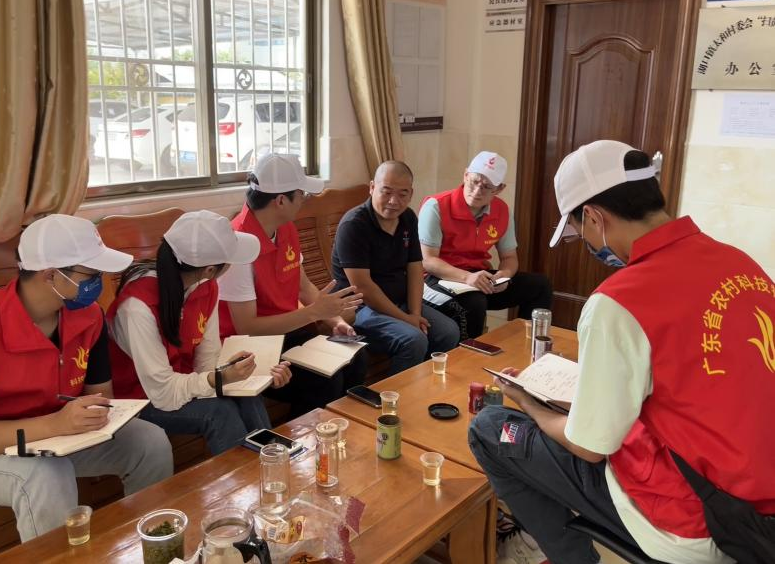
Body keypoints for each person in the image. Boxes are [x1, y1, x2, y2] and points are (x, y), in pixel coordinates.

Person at [469, 140, 775, 564]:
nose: (589, 245)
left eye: (581, 233)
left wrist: (527, 401)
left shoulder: (620, 299)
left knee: (490, 428)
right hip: (758, 503)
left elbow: (590, 447)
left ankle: (558, 555)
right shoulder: (742, 266)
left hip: (692, 519)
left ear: (595, 217)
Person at [0, 214, 173, 542]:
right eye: (91, 274)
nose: (99, 282)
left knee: (149, 442)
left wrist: (95, 412)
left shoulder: (88, 317)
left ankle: (151, 545)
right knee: (44, 474)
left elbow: (100, 394)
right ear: (50, 275)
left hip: (56, 436)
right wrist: (54, 425)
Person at [108, 210, 292, 455]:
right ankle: (247, 476)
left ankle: (275, 461)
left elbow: (207, 362)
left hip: (181, 383)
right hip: (141, 398)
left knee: (247, 396)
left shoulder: (205, 286)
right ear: (209, 269)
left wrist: (251, 372)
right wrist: (220, 379)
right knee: (219, 412)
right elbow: (163, 393)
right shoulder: (137, 307)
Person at [219, 153, 366, 418]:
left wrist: (334, 320)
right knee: (323, 380)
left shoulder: (285, 228)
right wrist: (313, 313)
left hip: (286, 333)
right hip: (249, 349)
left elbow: (303, 286)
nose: (304, 200)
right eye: (302, 194)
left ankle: (345, 429)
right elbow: (247, 328)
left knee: (355, 356)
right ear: (280, 200)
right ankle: (302, 440)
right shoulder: (238, 245)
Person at [332, 161, 460, 374]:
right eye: (387, 192)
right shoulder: (354, 225)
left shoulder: (408, 217)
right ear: (372, 187)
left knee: (448, 331)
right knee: (414, 340)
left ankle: (425, 386)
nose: (394, 201)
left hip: (399, 303)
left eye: (402, 194)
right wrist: (407, 319)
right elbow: (363, 287)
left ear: (411, 194)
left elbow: (415, 268)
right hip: (360, 309)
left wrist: (415, 313)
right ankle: (396, 392)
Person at [419, 151, 552, 339]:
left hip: (478, 276)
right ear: (465, 175)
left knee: (539, 285)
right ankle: (469, 355)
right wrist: (467, 278)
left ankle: (526, 345)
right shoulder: (436, 206)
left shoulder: (502, 210)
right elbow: (428, 260)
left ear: (499, 189)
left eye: (487, 187)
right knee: (475, 302)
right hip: (437, 278)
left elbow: (509, 257)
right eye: (474, 182)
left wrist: (504, 276)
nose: (477, 191)